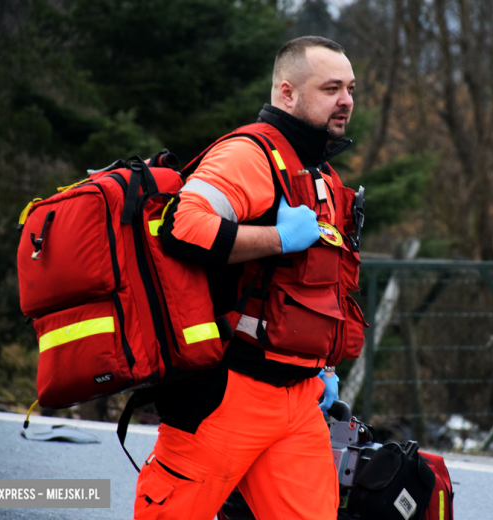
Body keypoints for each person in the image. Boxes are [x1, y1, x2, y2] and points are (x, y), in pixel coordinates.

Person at [132, 36, 366, 520]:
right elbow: (183, 227)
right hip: (228, 393)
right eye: (330, 88)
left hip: (300, 398)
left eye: (350, 88)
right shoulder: (250, 155)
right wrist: (277, 239)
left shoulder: (319, 172)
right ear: (287, 93)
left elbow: (313, 288)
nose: (345, 100)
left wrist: (321, 369)